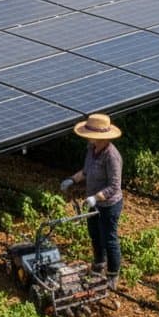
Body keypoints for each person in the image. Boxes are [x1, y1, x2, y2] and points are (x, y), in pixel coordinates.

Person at [60, 113, 123, 289]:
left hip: (109, 205)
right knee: (94, 233)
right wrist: (72, 179)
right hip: (93, 202)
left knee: (109, 238)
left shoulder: (112, 156)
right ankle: (99, 263)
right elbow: (86, 171)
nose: (88, 138)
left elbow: (114, 186)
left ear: (101, 137)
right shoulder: (91, 149)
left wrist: (96, 197)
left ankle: (113, 274)